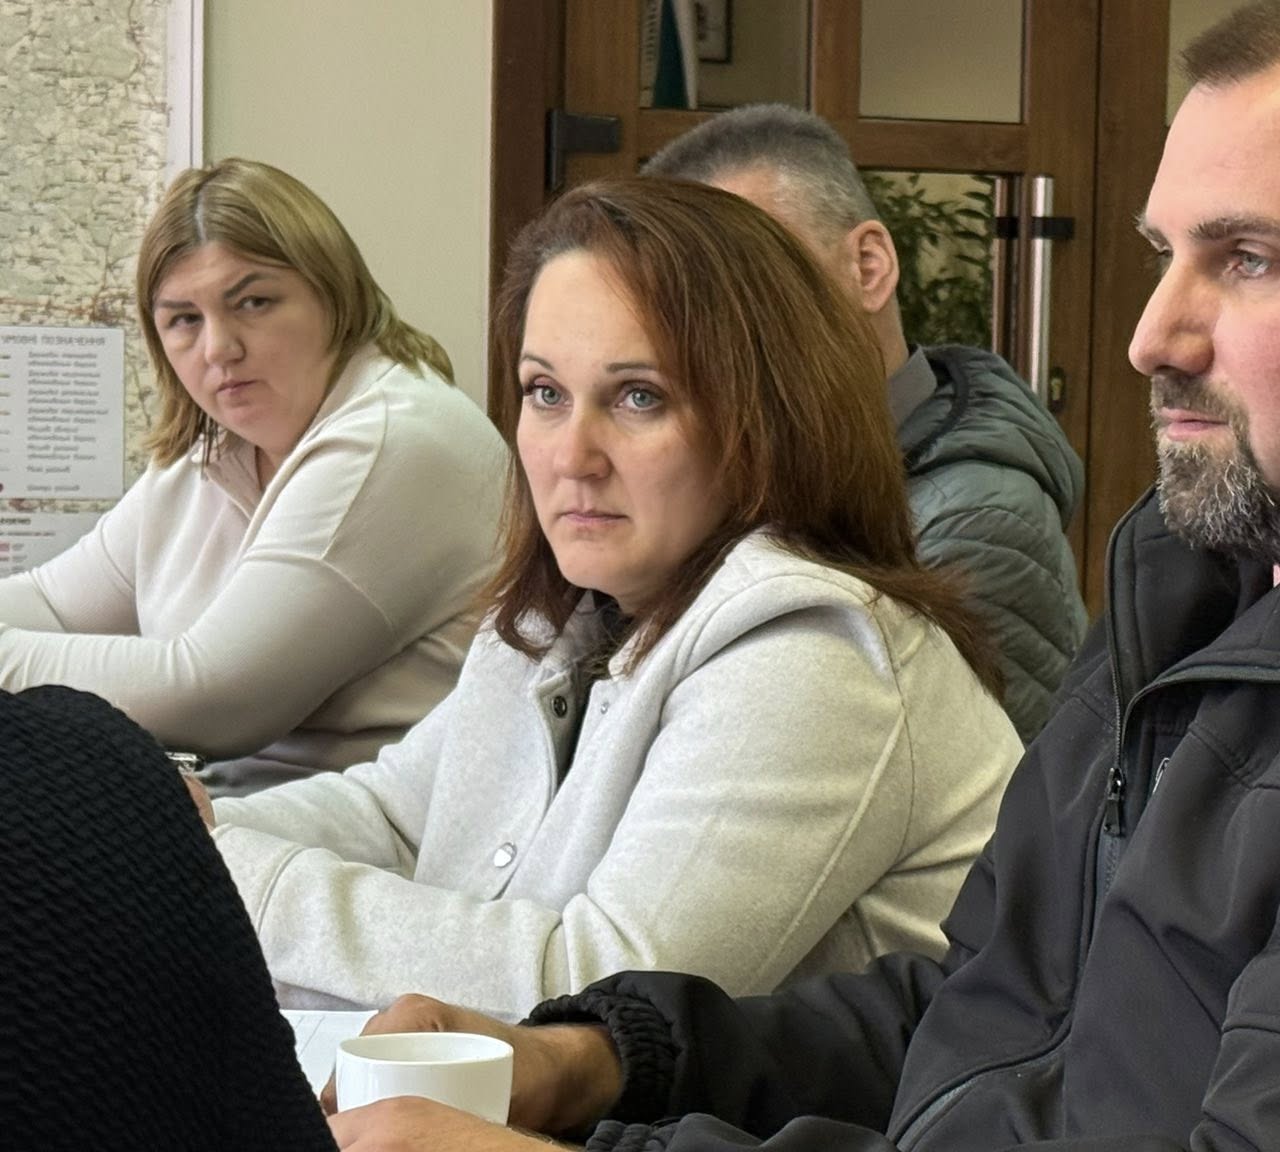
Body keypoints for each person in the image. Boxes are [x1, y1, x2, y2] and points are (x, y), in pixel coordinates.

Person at [335, 2, 1280, 1148]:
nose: (1152, 333)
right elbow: (989, 1019)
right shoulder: (1208, 611)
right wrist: (604, 1059)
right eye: (1162, 252)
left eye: (1246, 259)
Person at [197, 177, 1023, 1022]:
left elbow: (599, 992)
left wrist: (223, 871)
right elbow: (400, 815)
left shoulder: (815, 653)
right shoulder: (569, 611)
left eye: (639, 397)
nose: (572, 456)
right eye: (545, 393)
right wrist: (183, 833)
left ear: (769, 419)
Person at [0, 158, 505, 794]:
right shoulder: (212, 449)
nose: (219, 348)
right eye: (184, 319)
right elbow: (55, 604)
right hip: (233, 812)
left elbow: (213, 698)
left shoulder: (394, 436)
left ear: (335, 294)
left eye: (254, 303)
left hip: (359, 836)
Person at [644, 106, 1087, 742]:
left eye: (758, 280)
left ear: (869, 266)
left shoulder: (972, 525)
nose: (724, 328)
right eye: (690, 303)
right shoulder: (750, 471)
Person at [0, 685, 333, 1151]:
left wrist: (175, 841)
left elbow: (204, 683)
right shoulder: (86, 763)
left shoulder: (87, 765)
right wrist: (173, 834)